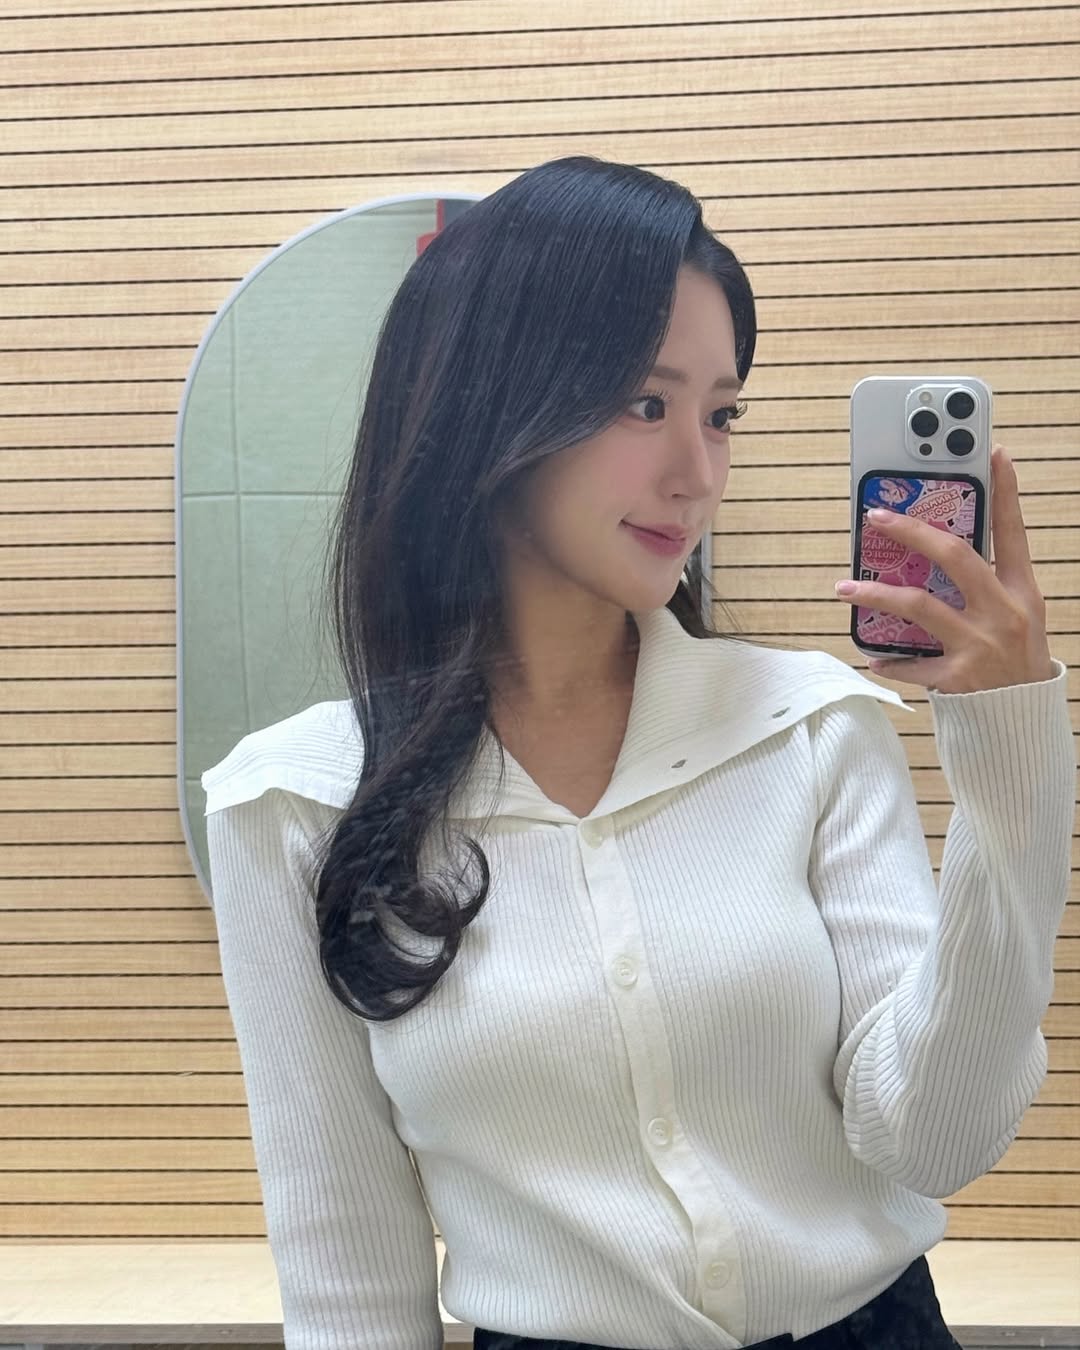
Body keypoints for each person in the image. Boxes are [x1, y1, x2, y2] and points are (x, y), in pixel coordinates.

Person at [200, 156, 1074, 1350]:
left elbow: (933, 1138)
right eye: (644, 405)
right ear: (487, 402)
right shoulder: (292, 804)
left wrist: (1011, 769)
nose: (697, 474)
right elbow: (346, 1261)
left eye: (722, 414)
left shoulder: (812, 729)